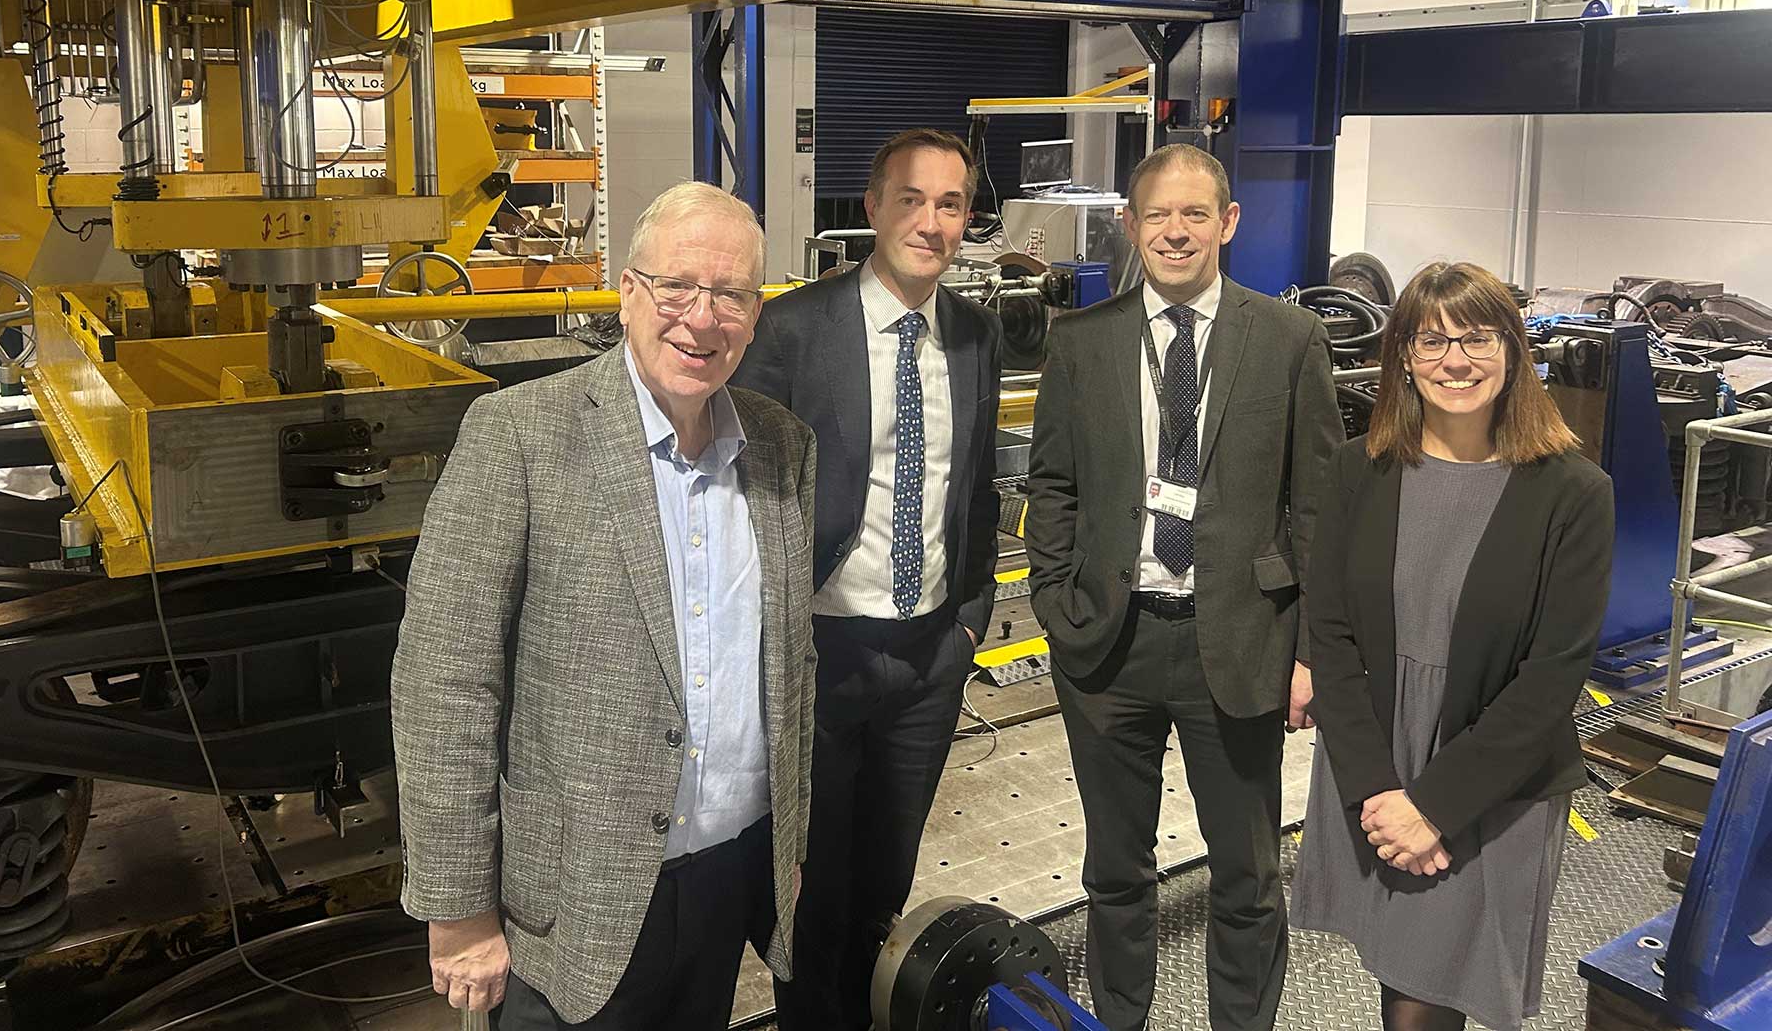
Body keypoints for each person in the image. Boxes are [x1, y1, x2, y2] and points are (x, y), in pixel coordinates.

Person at [390, 182, 818, 1028]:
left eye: (731, 294)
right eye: (678, 287)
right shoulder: (520, 435)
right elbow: (443, 684)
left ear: (756, 313)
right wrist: (458, 909)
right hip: (572, 902)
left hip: (726, 878)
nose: (702, 318)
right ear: (627, 294)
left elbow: (786, 663)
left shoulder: (780, 445)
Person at [1024, 142, 1344, 1030]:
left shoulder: (1288, 341)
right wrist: (1057, 600)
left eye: (1194, 213)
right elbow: (1051, 484)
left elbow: (1316, 506)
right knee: (1114, 872)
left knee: (1244, 874)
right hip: (1109, 645)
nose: (1174, 231)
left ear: (1228, 223)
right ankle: (1118, 1018)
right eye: (1156, 214)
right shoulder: (1082, 342)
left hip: (1238, 642)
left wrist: (1312, 650)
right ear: (1130, 225)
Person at [1293, 262, 1614, 1031]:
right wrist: (1379, 792)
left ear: (1513, 350)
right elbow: (1330, 637)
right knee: (1396, 969)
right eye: (1432, 341)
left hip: (1491, 776)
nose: (1456, 361)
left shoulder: (1574, 493)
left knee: (1432, 992)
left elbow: (1551, 677)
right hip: (1376, 756)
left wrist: (1431, 809)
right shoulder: (1358, 470)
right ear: (1402, 354)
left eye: (1477, 338)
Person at [730, 127, 1000, 1029]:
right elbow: (745, 490)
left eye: (951, 204)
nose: (932, 221)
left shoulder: (974, 334)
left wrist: (968, 618)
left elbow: (980, 483)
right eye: (913, 199)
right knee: (812, 880)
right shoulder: (796, 329)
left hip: (927, 655)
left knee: (886, 876)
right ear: (874, 206)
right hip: (821, 648)